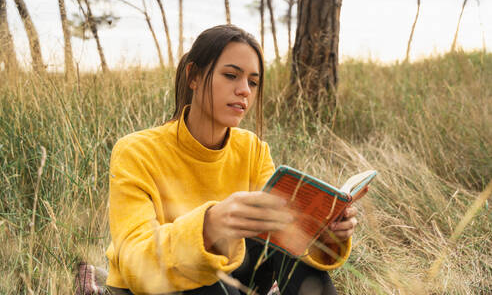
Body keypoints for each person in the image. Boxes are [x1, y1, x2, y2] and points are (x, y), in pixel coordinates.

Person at [105, 25, 358, 295]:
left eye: (253, 82)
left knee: (287, 244)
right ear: (194, 76)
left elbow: (279, 235)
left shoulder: (252, 149)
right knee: (209, 279)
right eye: (230, 76)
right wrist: (208, 227)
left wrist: (325, 233)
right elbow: (134, 259)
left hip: (233, 274)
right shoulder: (135, 151)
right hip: (153, 284)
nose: (244, 91)